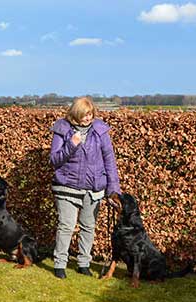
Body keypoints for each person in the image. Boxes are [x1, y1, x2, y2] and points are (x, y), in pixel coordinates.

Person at [49, 96, 121, 279]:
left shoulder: (100, 131)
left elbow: (109, 162)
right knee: (66, 226)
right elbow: (54, 160)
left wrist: (114, 190)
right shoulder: (62, 129)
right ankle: (59, 264)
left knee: (88, 227)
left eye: (90, 114)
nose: (88, 118)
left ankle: (83, 264)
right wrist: (71, 144)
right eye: (84, 114)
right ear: (75, 113)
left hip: (93, 188)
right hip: (66, 187)